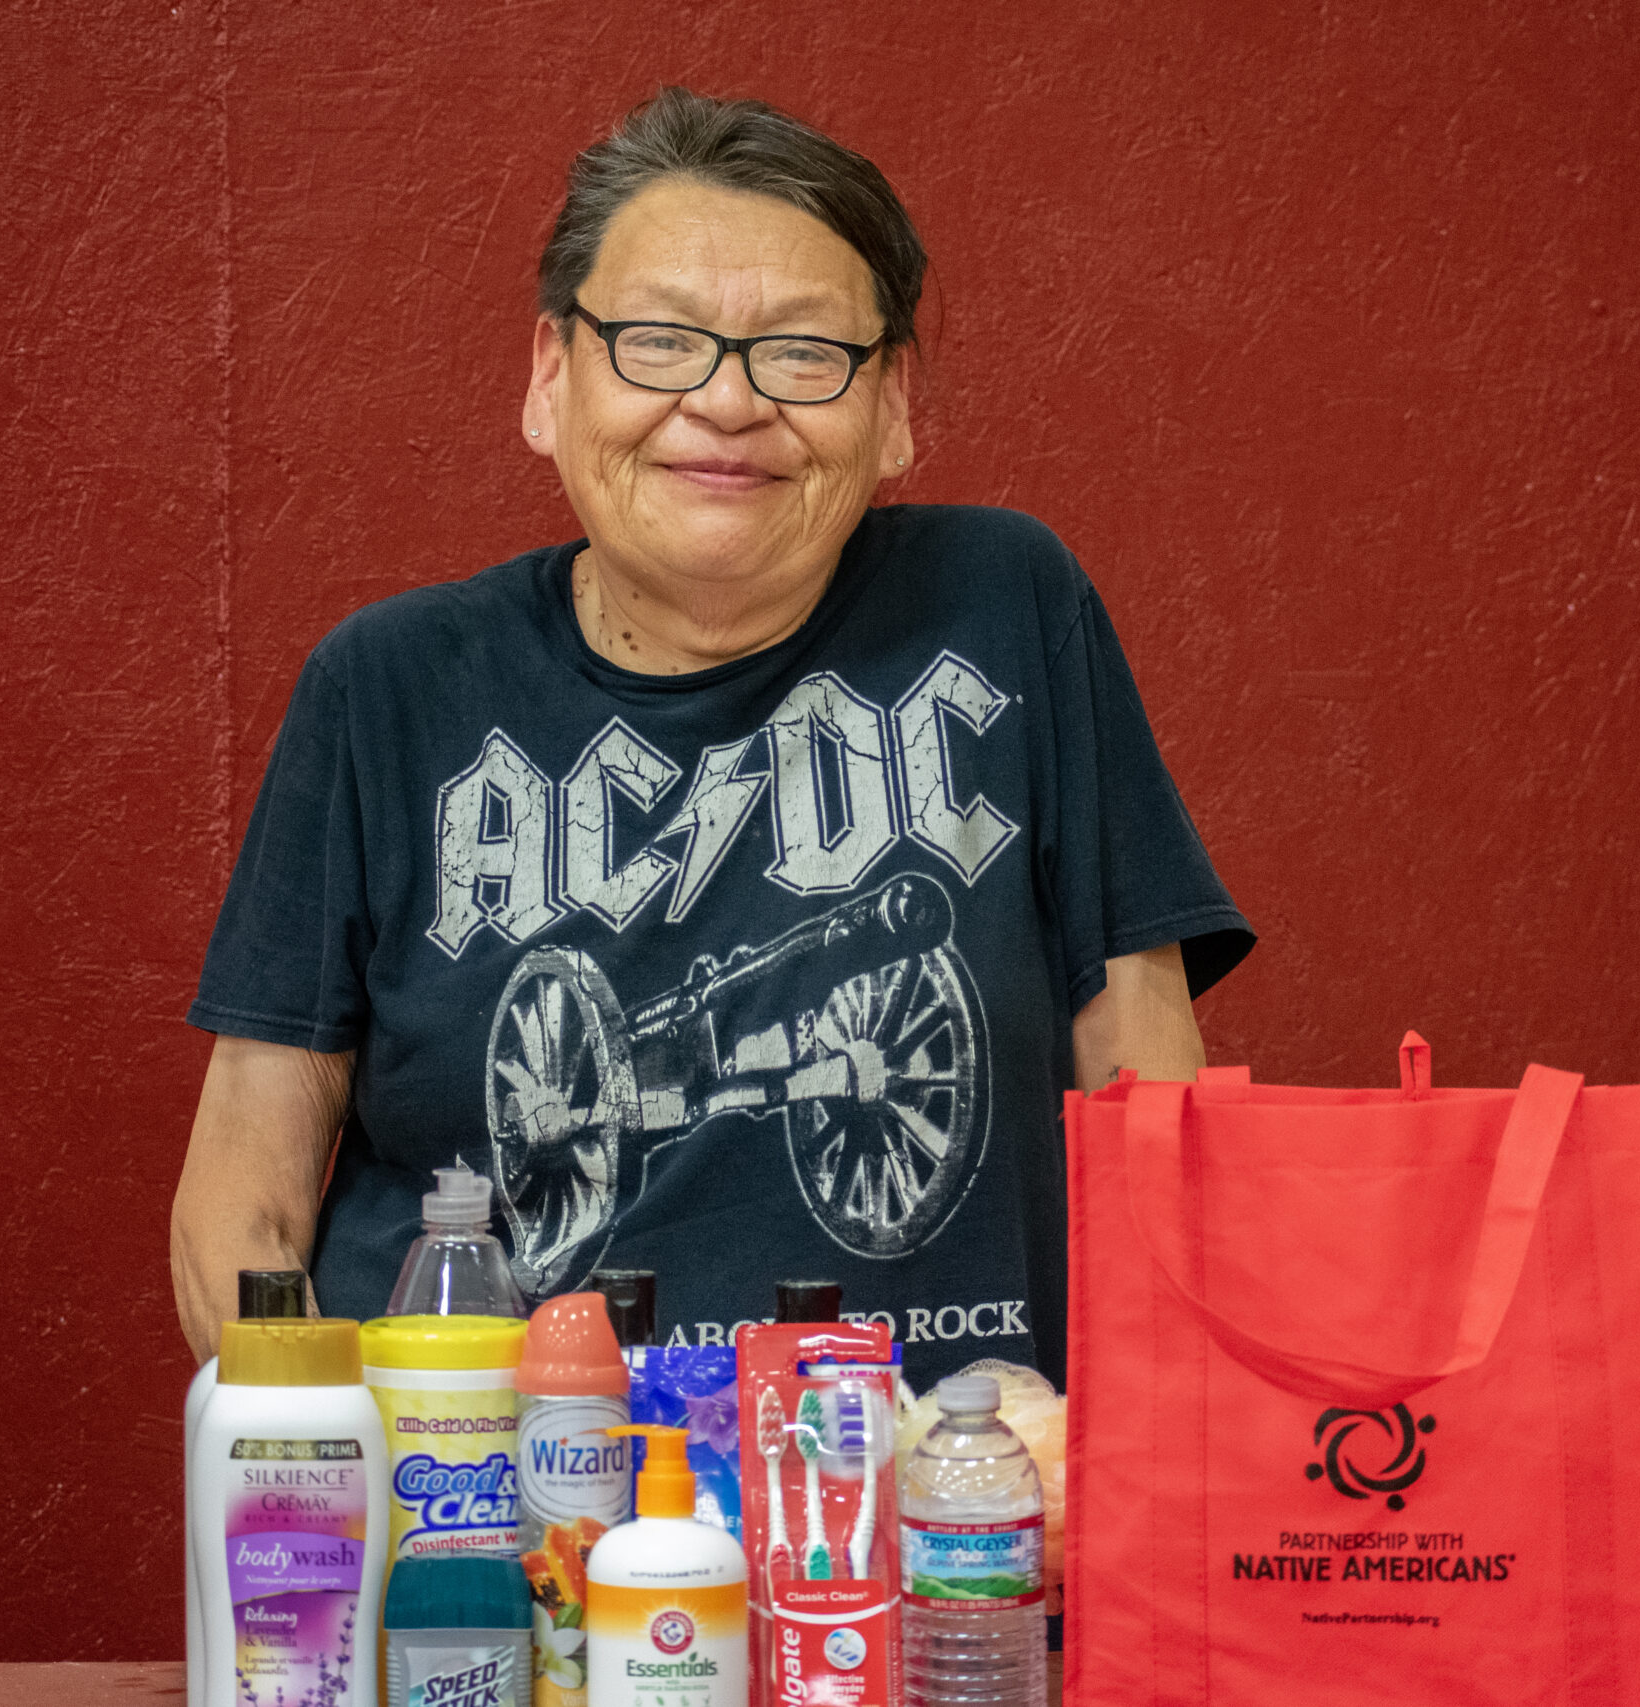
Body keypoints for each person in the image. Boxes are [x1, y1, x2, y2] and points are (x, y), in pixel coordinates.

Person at [170, 88, 1252, 1388]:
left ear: (894, 407)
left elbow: (1150, 1103)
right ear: (551, 379)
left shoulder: (1006, 608)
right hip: (502, 1482)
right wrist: (334, 1461)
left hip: (948, 1484)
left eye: (804, 353)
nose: (729, 402)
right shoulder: (387, 686)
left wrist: (1120, 1449)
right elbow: (246, 1202)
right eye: (659, 342)